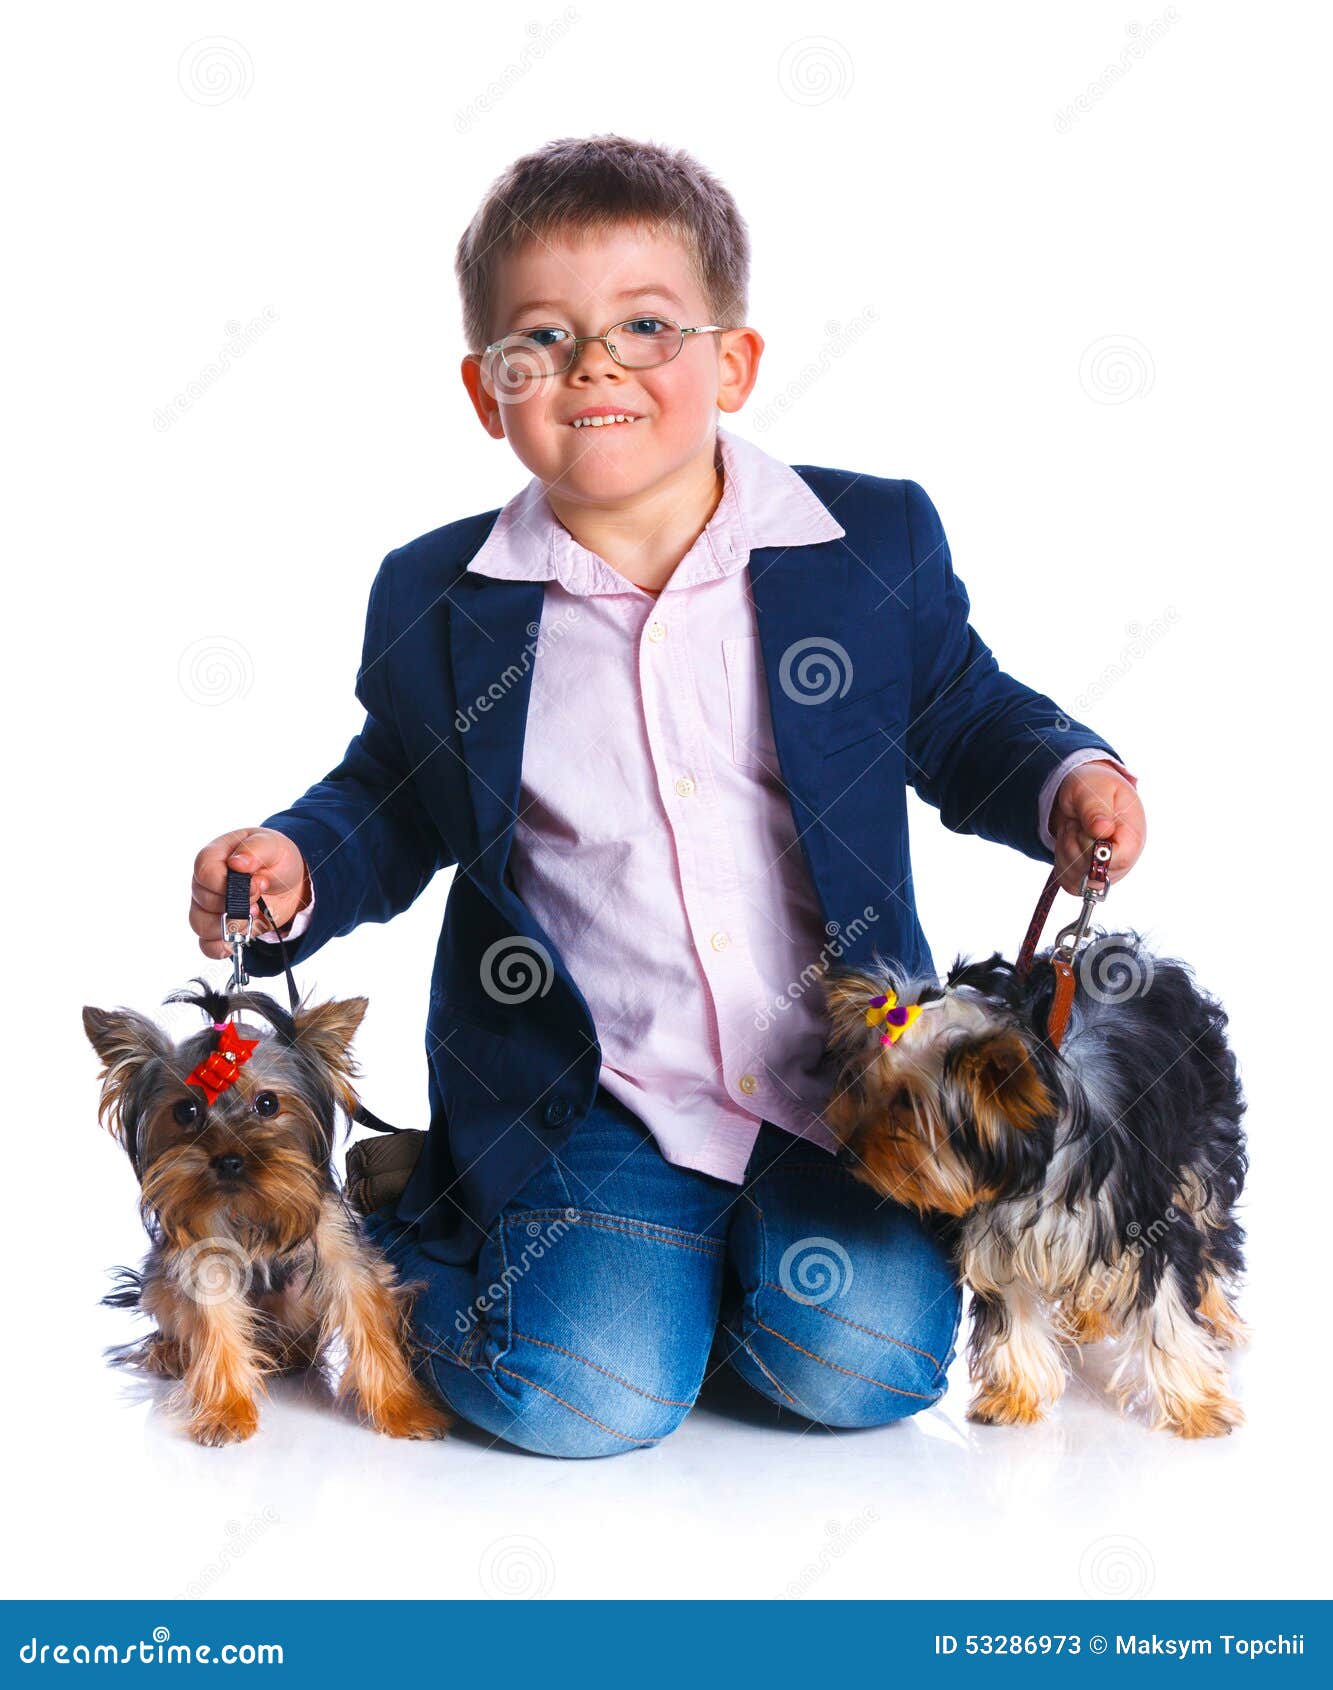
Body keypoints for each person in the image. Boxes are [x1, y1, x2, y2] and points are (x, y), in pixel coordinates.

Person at [189, 134, 1145, 1458]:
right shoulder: (442, 597)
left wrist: (1064, 778)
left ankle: (701, 1280)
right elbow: (393, 796)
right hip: (598, 1092)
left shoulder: (864, 545)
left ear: (733, 363)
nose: (595, 365)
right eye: (543, 337)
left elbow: (962, 713)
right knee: (583, 1396)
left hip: (846, 1095)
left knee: (865, 1362)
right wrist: (297, 857)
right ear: (487, 390)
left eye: (646, 325)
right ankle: (404, 1248)